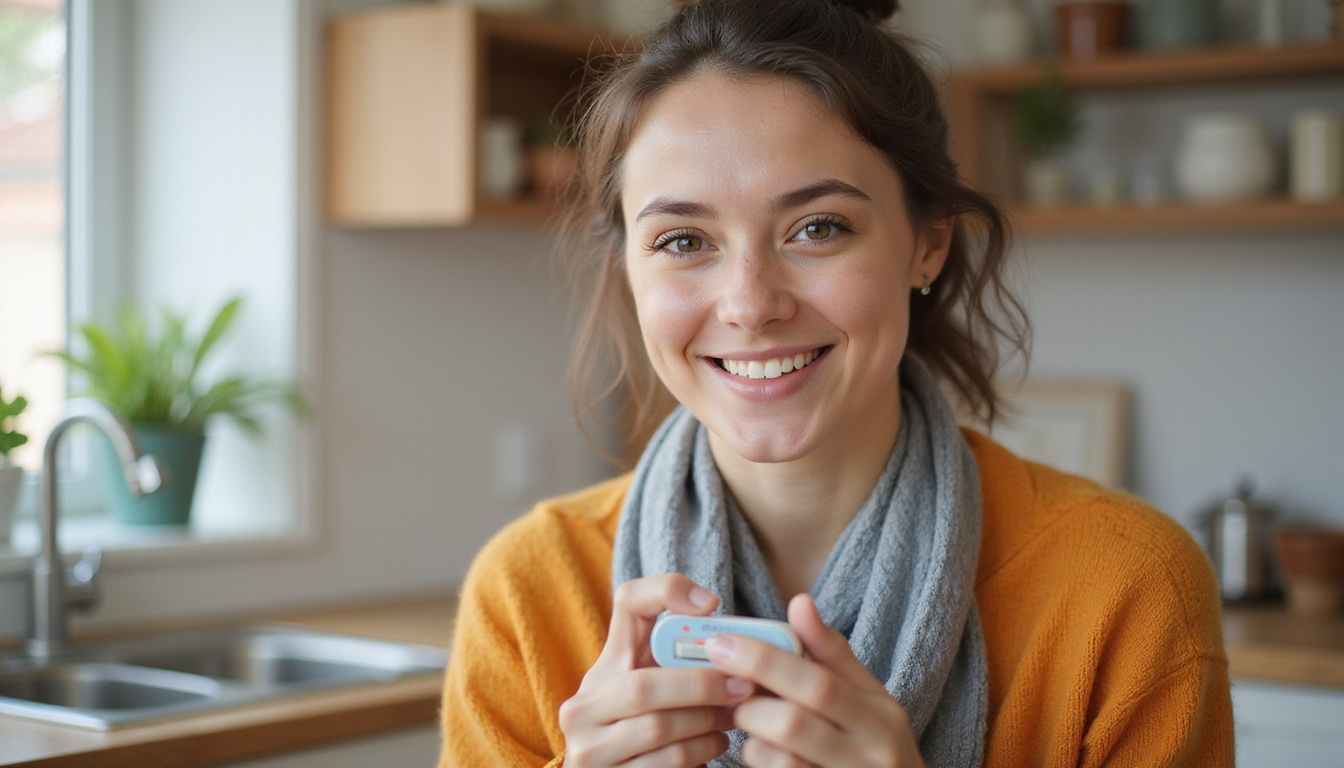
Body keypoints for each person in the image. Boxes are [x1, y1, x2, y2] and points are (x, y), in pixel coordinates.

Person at [439, 0, 1234, 766]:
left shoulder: (1126, 586)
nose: (750, 304)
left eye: (818, 228)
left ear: (928, 243)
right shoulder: (528, 592)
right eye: (683, 239)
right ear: (628, 271)